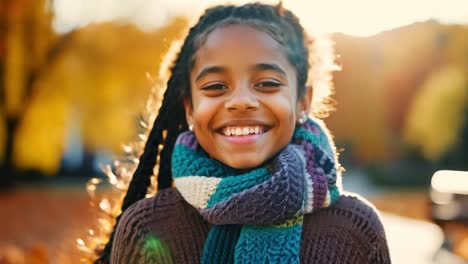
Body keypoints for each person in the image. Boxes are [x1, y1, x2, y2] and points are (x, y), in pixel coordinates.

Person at [96, 2, 391, 263]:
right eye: (215, 86)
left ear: (303, 101)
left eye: (267, 83)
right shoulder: (147, 228)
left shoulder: (355, 229)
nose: (240, 101)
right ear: (189, 108)